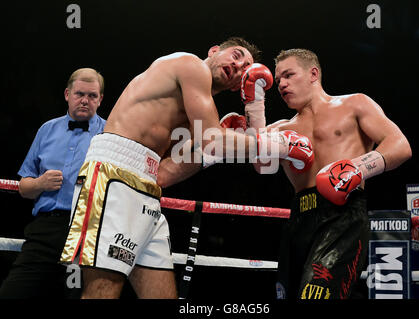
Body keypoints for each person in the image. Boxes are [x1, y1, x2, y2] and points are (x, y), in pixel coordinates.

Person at [59, 37, 312, 299]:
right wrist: (281, 145)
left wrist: (214, 150)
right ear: (214, 51)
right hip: (113, 177)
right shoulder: (190, 65)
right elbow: (214, 141)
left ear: (239, 84)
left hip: (146, 189)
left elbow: (164, 174)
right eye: (236, 55)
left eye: (245, 67)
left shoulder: (195, 117)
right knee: (102, 291)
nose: (238, 66)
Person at [221, 48, 412, 299]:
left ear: (313, 73)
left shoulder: (354, 103)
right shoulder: (280, 129)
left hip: (342, 216)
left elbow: (400, 145)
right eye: (278, 80)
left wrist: (358, 168)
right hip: (299, 218)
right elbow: (262, 166)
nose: (282, 85)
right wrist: (254, 107)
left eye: (289, 75)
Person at [0, 68, 106, 299]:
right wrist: (39, 183)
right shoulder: (47, 129)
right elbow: (24, 187)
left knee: (74, 296)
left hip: (86, 232)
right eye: (79, 94)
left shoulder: (110, 134)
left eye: (92, 96)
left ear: (100, 99)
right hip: (45, 231)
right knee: (13, 293)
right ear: (67, 94)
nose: (85, 100)